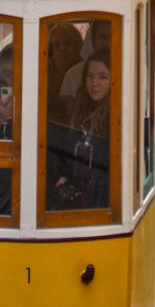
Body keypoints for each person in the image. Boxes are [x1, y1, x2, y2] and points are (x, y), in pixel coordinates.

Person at [46, 50, 113, 210]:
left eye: (102, 77)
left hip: (101, 206)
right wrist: (65, 175)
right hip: (75, 204)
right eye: (89, 76)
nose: (94, 83)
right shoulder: (79, 113)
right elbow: (65, 156)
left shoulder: (119, 118)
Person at [60, 19, 113, 103]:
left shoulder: (131, 73)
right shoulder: (73, 75)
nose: (109, 44)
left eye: (114, 37)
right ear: (92, 40)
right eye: (103, 37)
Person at [46, 21, 84, 121]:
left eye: (67, 43)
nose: (62, 49)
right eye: (56, 45)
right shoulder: (41, 75)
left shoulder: (86, 73)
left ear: (77, 46)